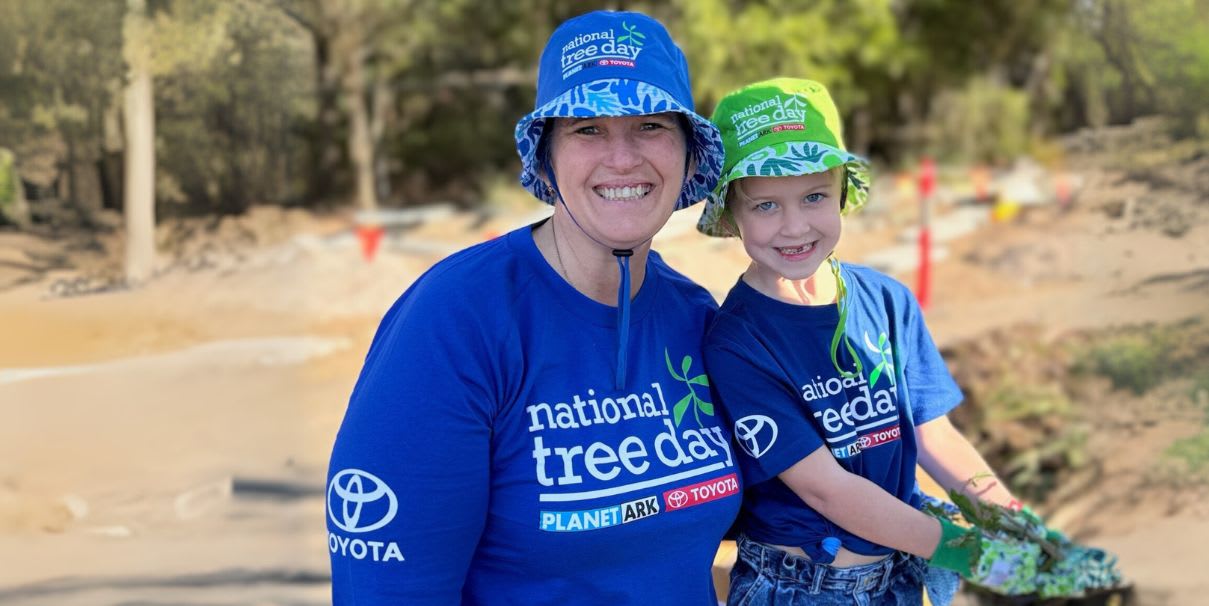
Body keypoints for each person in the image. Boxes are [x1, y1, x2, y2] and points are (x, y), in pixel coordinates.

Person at [325, 10, 741, 605]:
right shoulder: (455, 321)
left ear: (688, 154)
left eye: (650, 125)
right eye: (587, 129)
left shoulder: (695, 315)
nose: (622, 158)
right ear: (546, 157)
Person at [697, 78, 1060, 605]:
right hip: (802, 588)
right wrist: (967, 551)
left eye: (814, 196)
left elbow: (935, 436)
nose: (794, 226)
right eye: (766, 205)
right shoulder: (736, 342)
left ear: (844, 192)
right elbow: (828, 489)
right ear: (731, 213)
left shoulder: (886, 299)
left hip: (898, 576)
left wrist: (1019, 528)